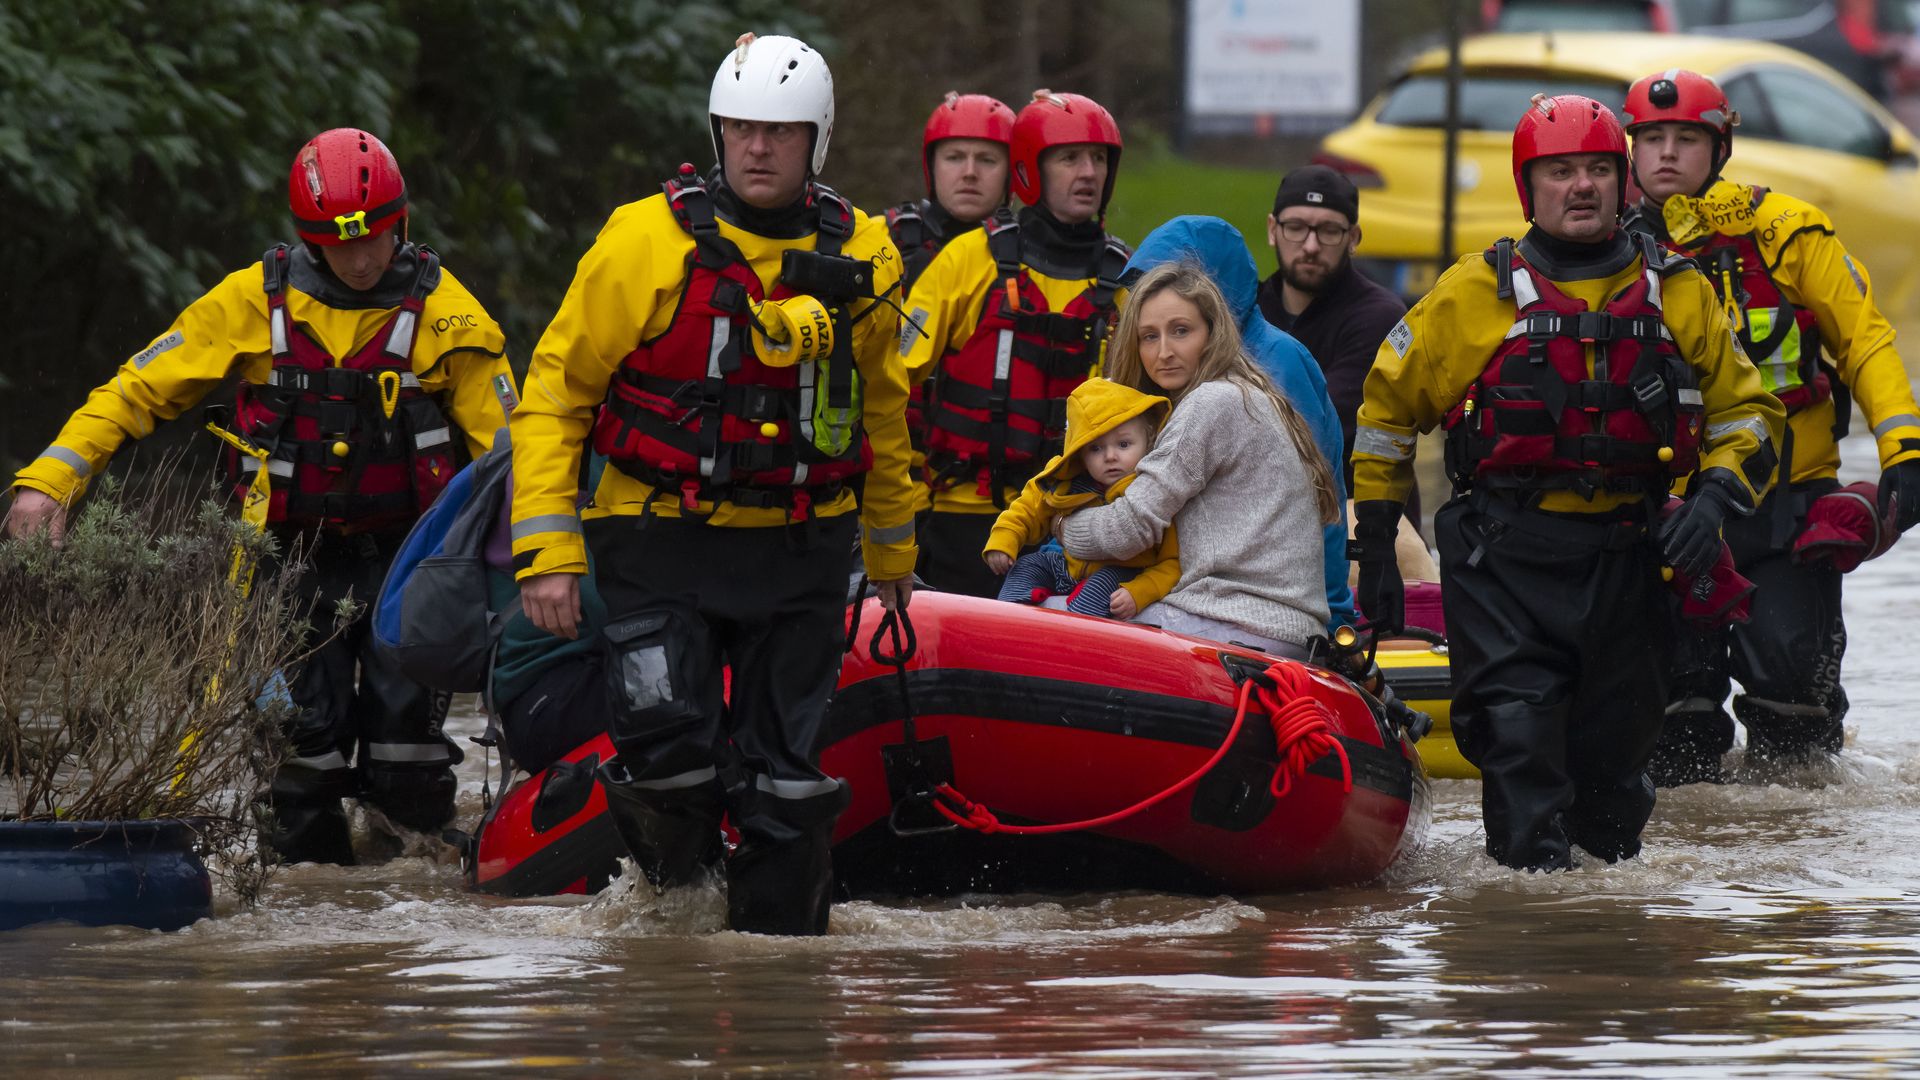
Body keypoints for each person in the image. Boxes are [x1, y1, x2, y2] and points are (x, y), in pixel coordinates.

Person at [3, 128, 515, 865]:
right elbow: (134, 392)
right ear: (309, 239)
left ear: (401, 223)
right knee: (297, 756)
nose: (364, 259)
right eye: (343, 245)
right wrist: (48, 484)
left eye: (376, 238)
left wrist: (546, 559)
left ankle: (405, 904)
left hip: (412, 562)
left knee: (409, 760)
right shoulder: (248, 302)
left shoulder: (454, 320)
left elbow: (515, 457)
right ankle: (311, 907)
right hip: (279, 563)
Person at [506, 33, 916, 936]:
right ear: (717, 131)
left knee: (787, 784)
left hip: (799, 551)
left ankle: (781, 983)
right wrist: (546, 552)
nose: (756, 149)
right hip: (657, 539)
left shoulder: (870, 256)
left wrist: (891, 555)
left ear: (818, 140)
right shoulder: (642, 242)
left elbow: (883, 414)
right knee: (670, 758)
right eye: (738, 129)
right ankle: (668, 933)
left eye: (777, 132)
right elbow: (555, 397)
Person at [1350, 94, 1784, 872]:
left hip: (1632, 558)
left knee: (1614, 786)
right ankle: (1525, 960)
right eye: (1559, 172)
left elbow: (1750, 414)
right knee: (1519, 744)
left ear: (1622, 183)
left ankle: (1601, 970)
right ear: (1530, 188)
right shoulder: (1471, 293)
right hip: (1505, 561)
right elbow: (1386, 413)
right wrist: (1376, 546)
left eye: (1595, 170)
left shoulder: (1679, 291)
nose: (1580, 186)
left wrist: (1713, 500)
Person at [1620, 68, 1920, 783]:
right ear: (1629, 151)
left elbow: (1865, 340)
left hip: (1786, 503)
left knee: (1794, 707)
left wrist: (1902, 446)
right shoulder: (1605, 248)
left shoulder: (1785, 230)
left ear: (1719, 148)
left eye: (1685, 138)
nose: (1666, 154)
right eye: (1651, 138)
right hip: (1666, 513)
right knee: (1674, 716)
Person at [902, 89, 1131, 599]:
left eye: (1098, 159)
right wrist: (902, 505)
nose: (1089, 173)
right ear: (1029, 169)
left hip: (1080, 528)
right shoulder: (968, 258)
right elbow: (895, 382)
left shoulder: (1128, 279)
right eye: (1070, 158)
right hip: (963, 519)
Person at [1060, 262, 1341, 657]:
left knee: (1043, 614)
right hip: (1281, 628)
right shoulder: (1245, 393)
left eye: (1181, 331)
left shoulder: (1211, 403)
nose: (1164, 352)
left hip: (1238, 624)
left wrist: (1058, 524)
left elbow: (1130, 531)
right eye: (1148, 337)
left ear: (1212, 334)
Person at [1124, 215, 1357, 631]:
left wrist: (1333, 613)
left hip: (1264, 604)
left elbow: (1314, 496)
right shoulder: (1175, 363)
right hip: (1199, 585)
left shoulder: (1275, 362)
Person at [1255, 166, 1409, 493]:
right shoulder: (1246, 309)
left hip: (1357, 512)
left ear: (1352, 238)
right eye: (1295, 227)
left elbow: (1316, 423)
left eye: (1328, 231)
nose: (1310, 246)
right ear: (1272, 230)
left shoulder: (1380, 316)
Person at [983, 378, 1180, 618]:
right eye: (1095, 449)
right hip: (1065, 566)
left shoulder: (1152, 491)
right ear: (1079, 455)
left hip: (1123, 574)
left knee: (1102, 589)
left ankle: (1077, 637)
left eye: (1124, 444)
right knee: (1028, 565)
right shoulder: (1065, 481)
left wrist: (1140, 592)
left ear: (1148, 442)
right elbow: (1027, 508)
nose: (1110, 456)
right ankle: (1009, 619)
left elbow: (1172, 563)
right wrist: (1005, 539)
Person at [887, 92, 1016, 290]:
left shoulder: (1034, 258)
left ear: (1011, 173)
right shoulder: (883, 239)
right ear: (932, 166)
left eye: (987, 160)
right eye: (954, 158)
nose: (970, 173)